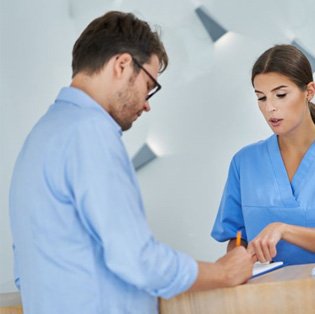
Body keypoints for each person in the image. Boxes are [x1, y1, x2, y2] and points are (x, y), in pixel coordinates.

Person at [9, 11, 253, 314]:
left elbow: (25, 271)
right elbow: (138, 260)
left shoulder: (41, 137)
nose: (147, 103)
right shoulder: (90, 133)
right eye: (149, 85)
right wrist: (225, 272)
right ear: (122, 64)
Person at [211, 44, 315, 266]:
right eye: (261, 97)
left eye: (280, 95)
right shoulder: (244, 163)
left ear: (309, 91)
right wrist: (238, 256)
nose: (270, 108)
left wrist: (284, 230)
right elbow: (238, 237)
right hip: (265, 296)